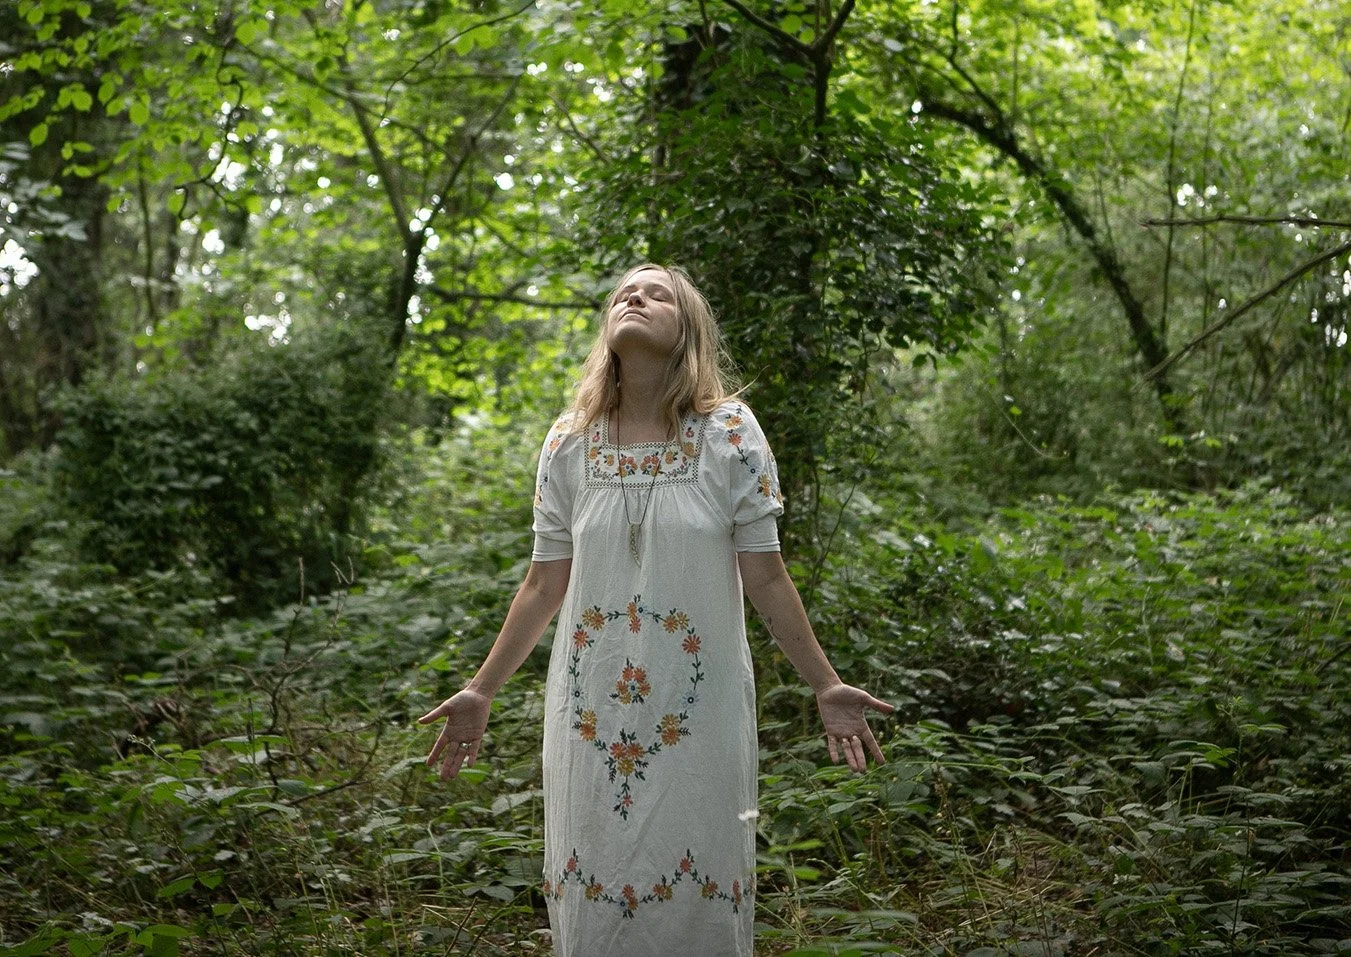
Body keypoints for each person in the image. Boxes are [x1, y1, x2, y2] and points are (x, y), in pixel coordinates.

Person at [418, 263, 893, 957]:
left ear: (687, 330)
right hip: (588, 716)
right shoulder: (568, 442)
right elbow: (542, 585)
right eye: (622, 294)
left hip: (698, 713)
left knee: (697, 880)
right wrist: (481, 688)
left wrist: (824, 682)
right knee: (595, 891)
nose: (633, 297)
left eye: (655, 293)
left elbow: (764, 576)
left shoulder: (729, 432)